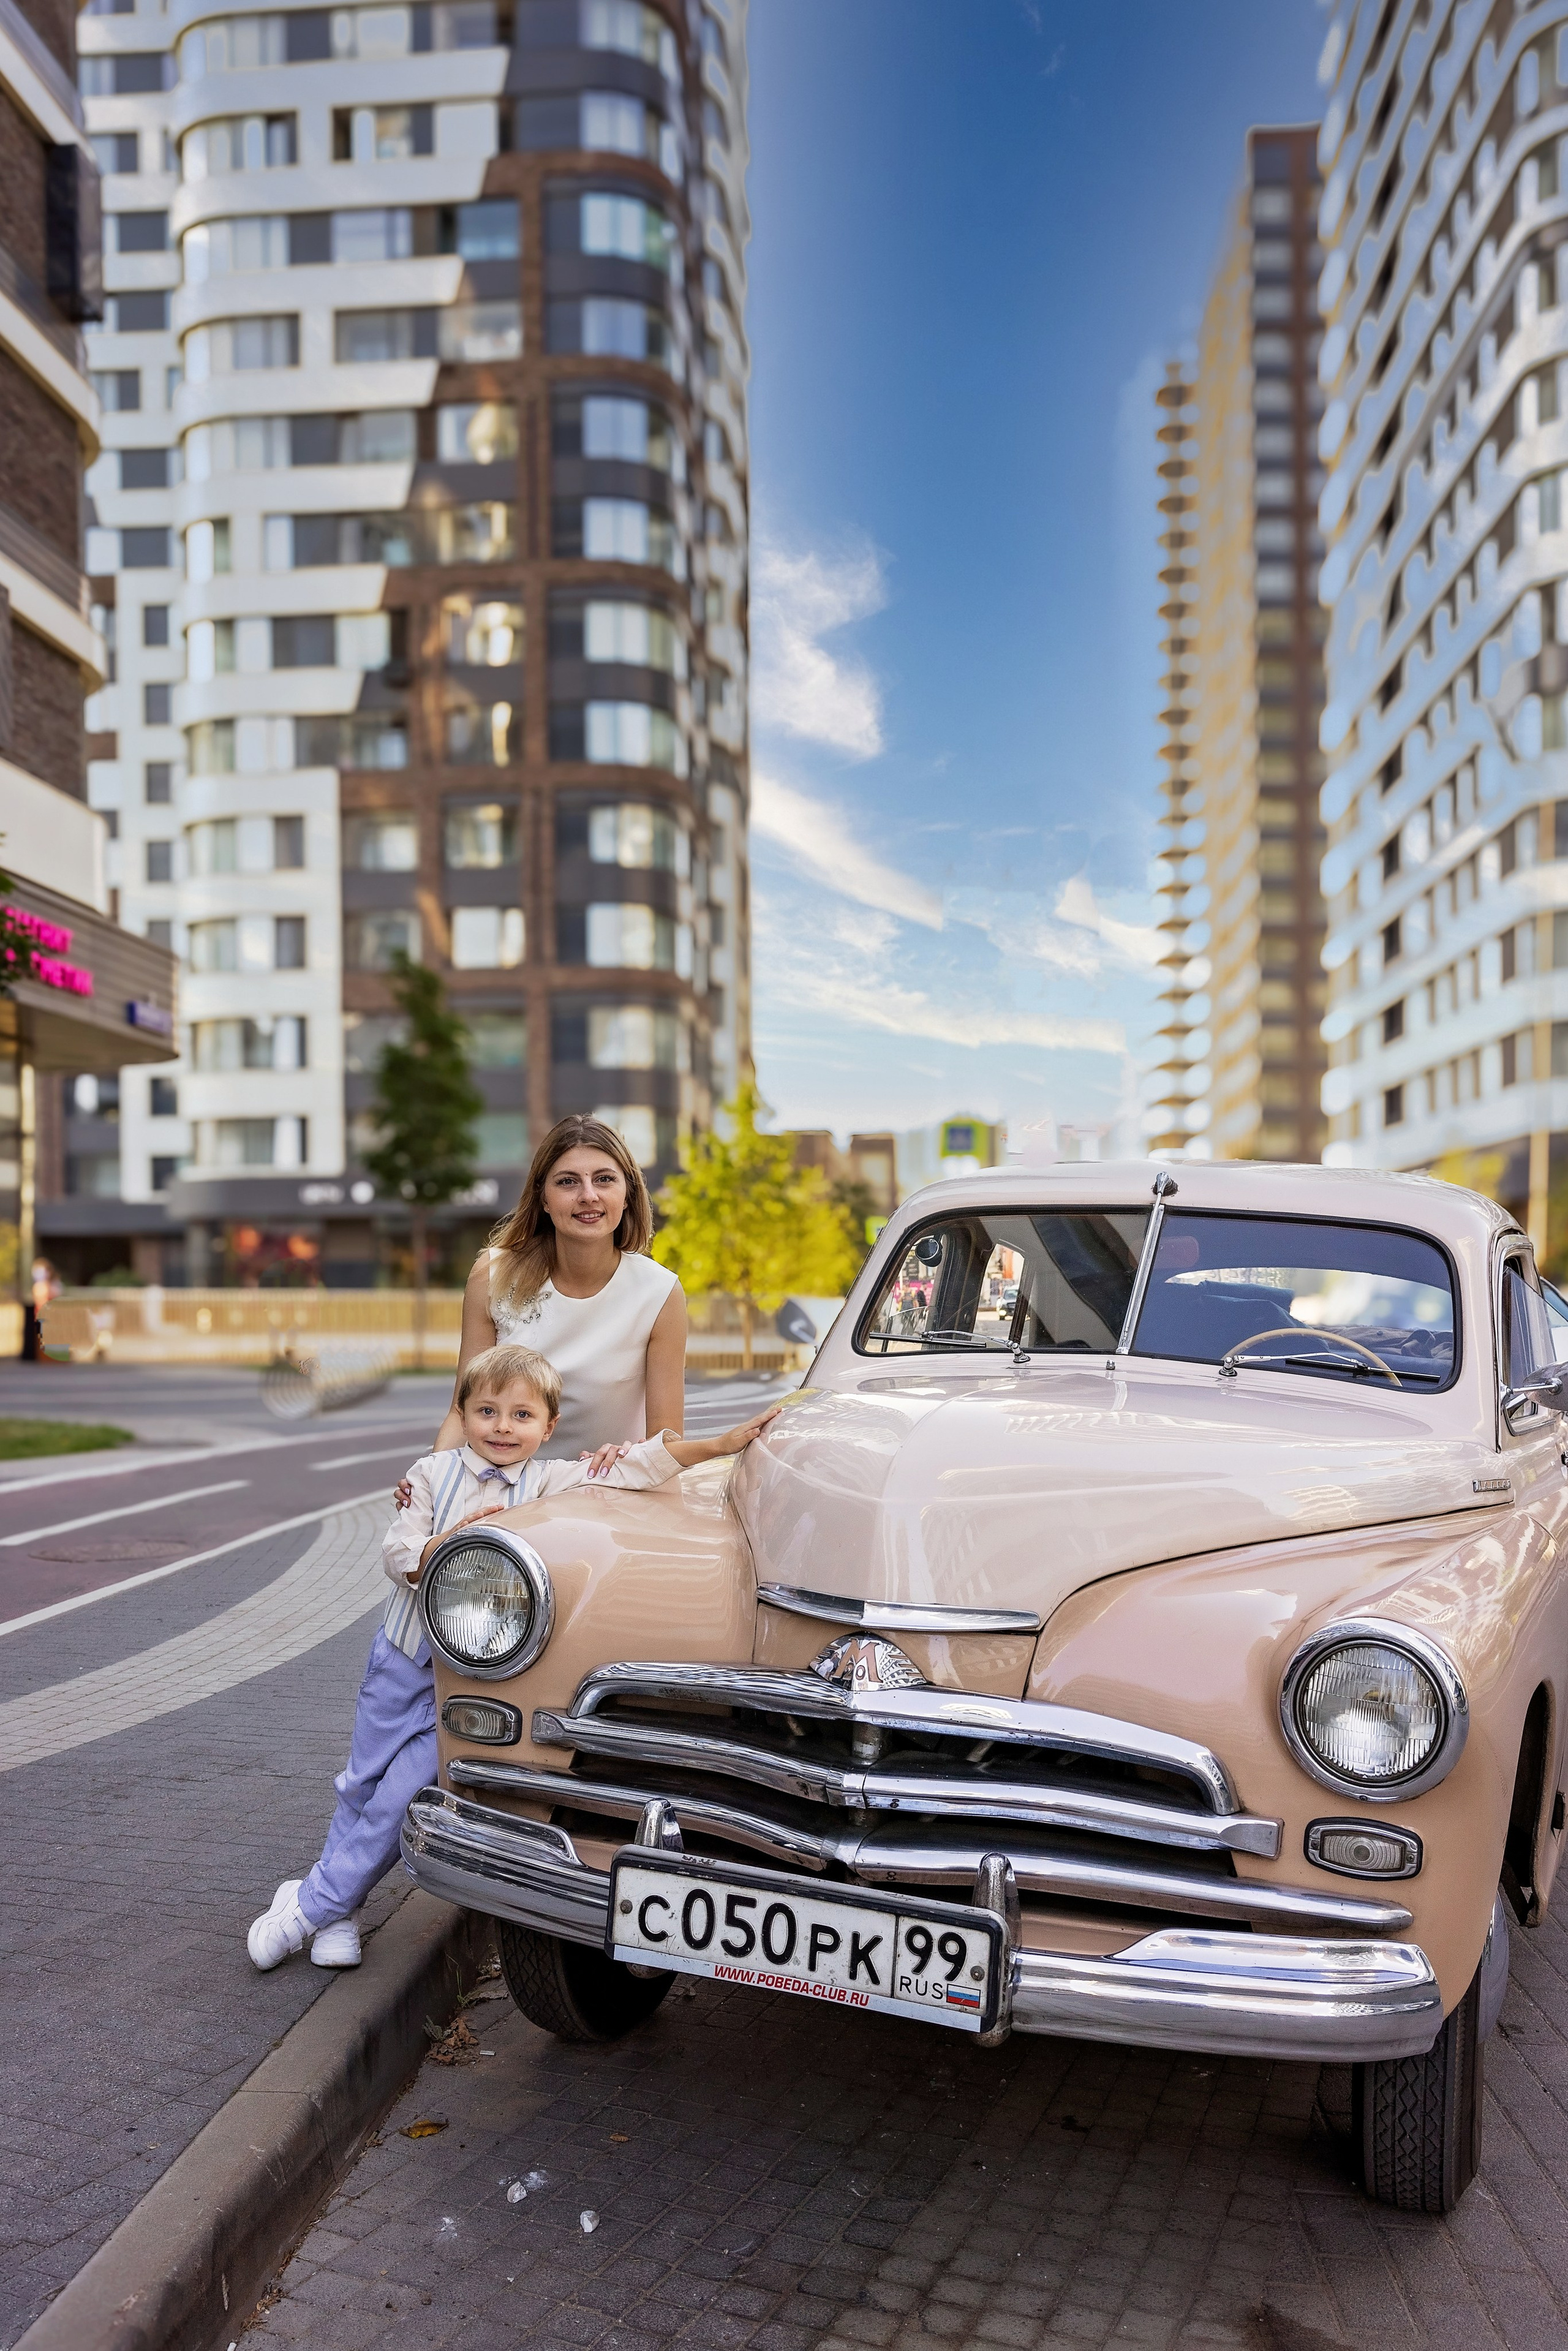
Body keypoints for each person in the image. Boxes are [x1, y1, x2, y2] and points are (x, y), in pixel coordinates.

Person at [246, 1343, 778, 1972]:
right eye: (487, 1410)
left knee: (404, 1790)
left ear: (548, 1427)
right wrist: (445, 1545)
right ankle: (341, 1908)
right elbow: (397, 1551)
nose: (503, 1427)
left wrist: (718, 1446)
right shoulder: (429, 1473)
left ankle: (311, 1906)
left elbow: (639, 1465)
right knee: (360, 1783)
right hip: (404, 1656)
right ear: (465, 1413)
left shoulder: (551, 1483)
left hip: (477, 1678)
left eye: (522, 1416)